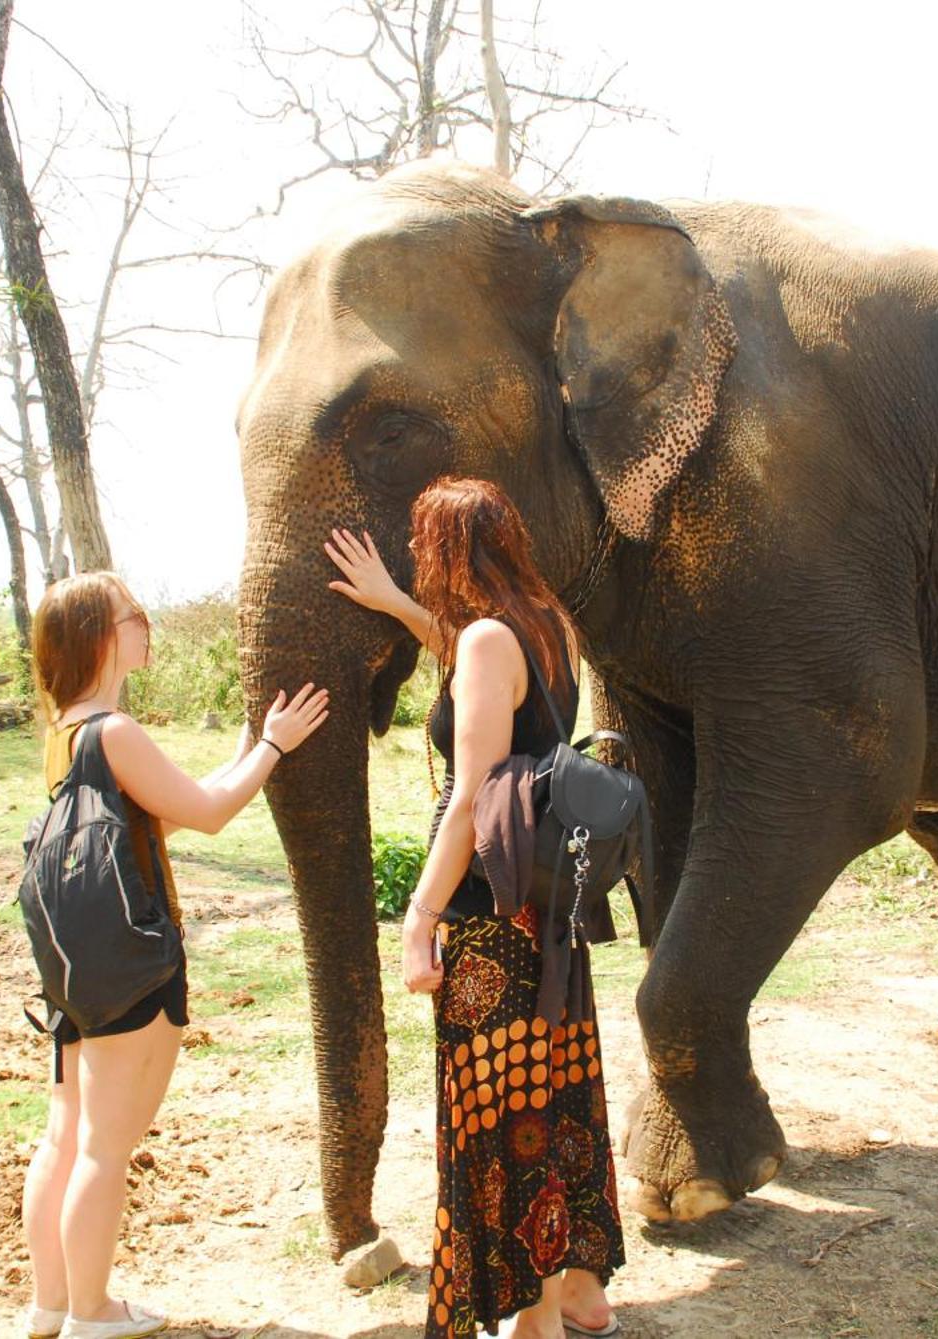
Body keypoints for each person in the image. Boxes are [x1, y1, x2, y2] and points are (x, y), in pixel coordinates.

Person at [327, 479, 624, 1339]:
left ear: (448, 551)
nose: (420, 563)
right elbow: (478, 663)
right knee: (556, 1093)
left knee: (503, 1115)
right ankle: (577, 1288)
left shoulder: (492, 638)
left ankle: (533, 1321)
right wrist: (391, 601)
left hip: (491, 916)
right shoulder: (545, 623)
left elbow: (470, 794)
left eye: (423, 549)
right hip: (547, 909)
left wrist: (419, 914)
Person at [22, 571, 329, 1339]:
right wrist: (272, 747)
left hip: (74, 968)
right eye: (134, 615)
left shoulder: (65, 732)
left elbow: (163, 816)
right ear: (101, 635)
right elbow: (211, 813)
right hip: (132, 965)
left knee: (65, 1134)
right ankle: (93, 1312)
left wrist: (244, 755)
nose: (146, 626)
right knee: (105, 1145)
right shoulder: (115, 733)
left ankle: (52, 1304)